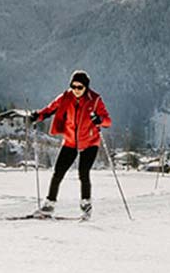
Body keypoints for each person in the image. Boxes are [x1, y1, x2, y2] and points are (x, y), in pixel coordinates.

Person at [27, 70, 112, 219]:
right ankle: (49, 205)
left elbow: (107, 120)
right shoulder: (66, 97)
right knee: (58, 172)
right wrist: (37, 116)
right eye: (73, 86)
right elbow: (50, 109)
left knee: (83, 173)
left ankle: (86, 205)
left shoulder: (95, 100)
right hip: (71, 141)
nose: (76, 90)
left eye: (80, 87)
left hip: (90, 142)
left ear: (86, 87)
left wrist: (99, 119)